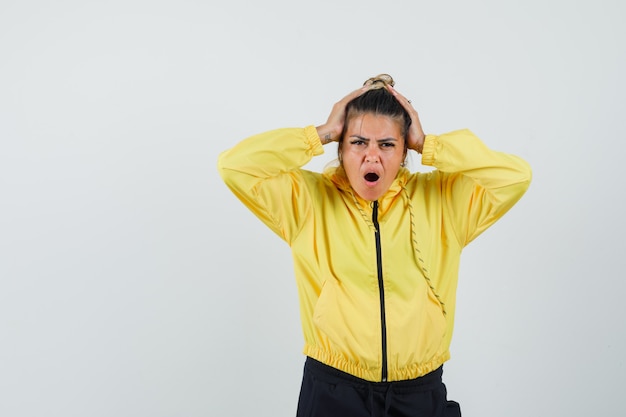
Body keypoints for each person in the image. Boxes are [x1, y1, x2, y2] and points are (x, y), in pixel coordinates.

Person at [217, 74, 531, 417]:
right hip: (333, 390)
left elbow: (515, 177)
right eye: (357, 142)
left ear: (404, 151)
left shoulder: (443, 202)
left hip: (419, 391)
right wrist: (319, 133)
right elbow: (235, 166)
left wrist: (430, 145)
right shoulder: (308, 202)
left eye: (386, 145)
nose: (372, 157)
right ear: (340, 146)